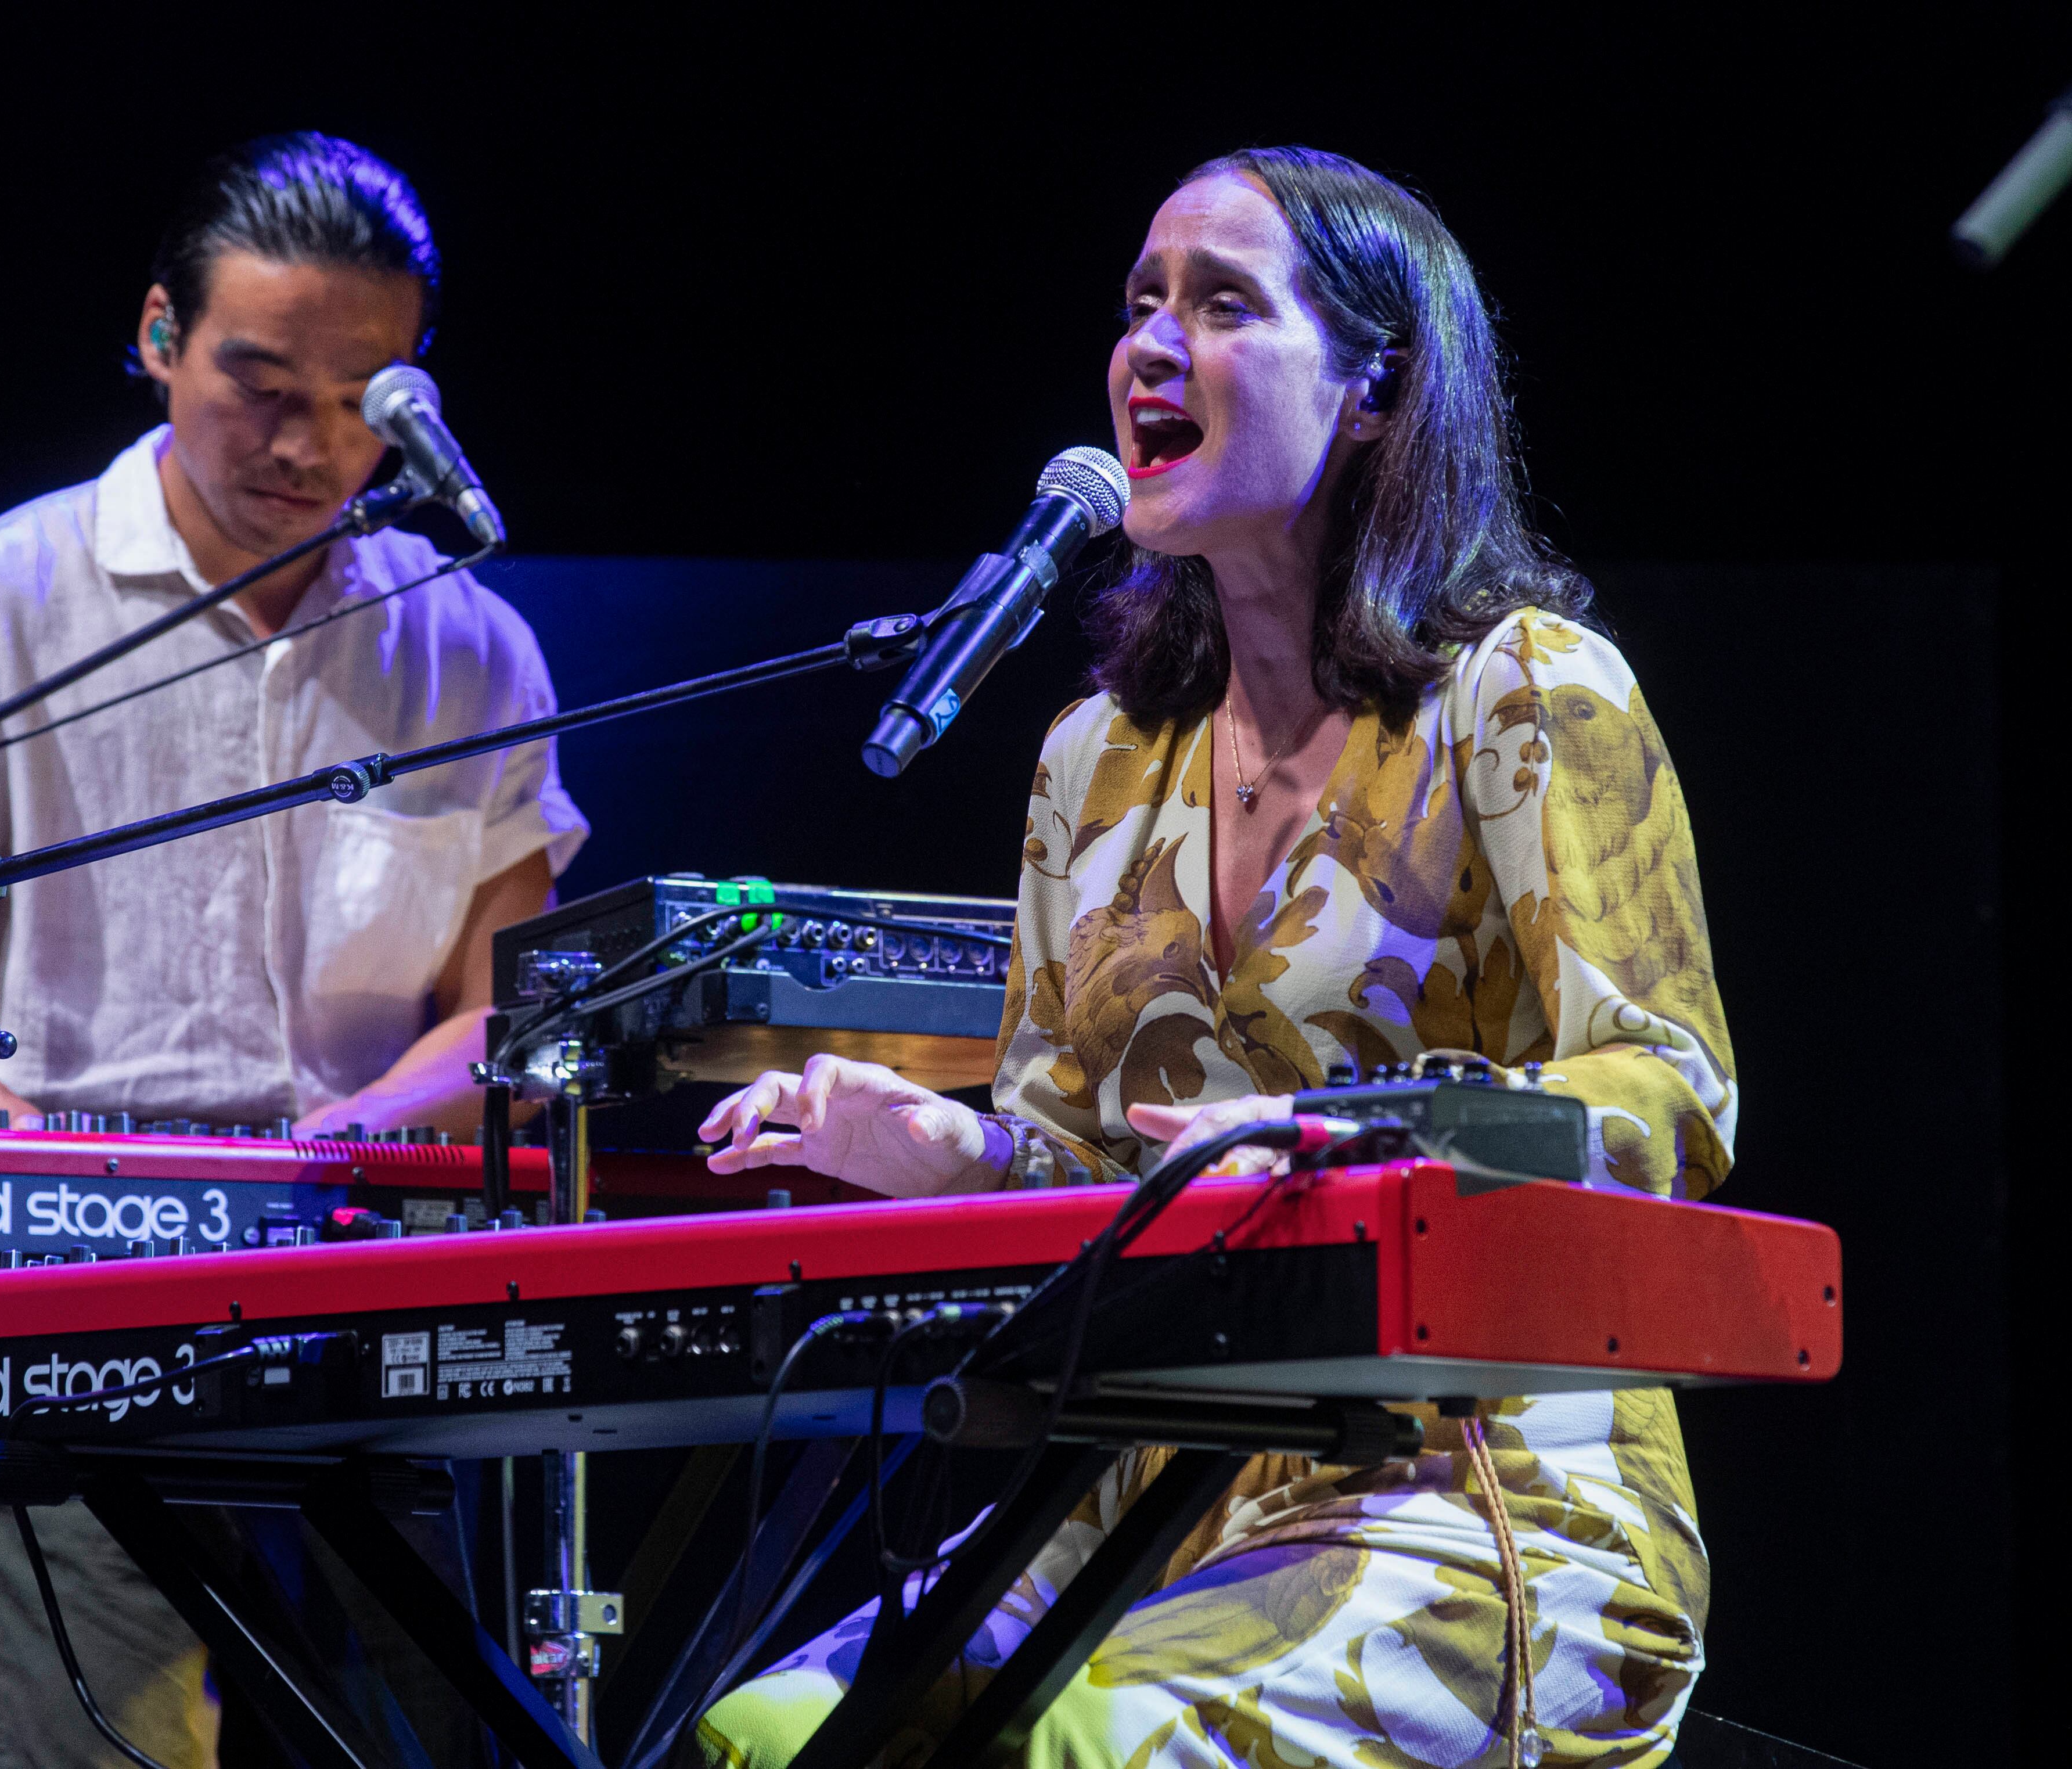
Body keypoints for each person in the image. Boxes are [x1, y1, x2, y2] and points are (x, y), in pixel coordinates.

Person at [694, 145, 1731, 1769]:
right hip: (1135, 1507)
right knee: (767, 1740)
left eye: (1221, 304)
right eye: (1137, 305)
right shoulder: (1090, 760)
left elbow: (1665, 1092)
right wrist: (941, 1151)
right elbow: (1068, 1171)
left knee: (1074, 1748)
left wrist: (1348, 1148)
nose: (1147, 349)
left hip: (1483, 1501)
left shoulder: (1519, 690)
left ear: (1375, 390)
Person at [0, 132, 584, 1768]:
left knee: (426, 1735)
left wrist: (336, 1146)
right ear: (160, 338)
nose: (309, 445)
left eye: (362, 399)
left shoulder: (469, 648)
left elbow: (509, 1014)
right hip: (55, 1294)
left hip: (363, 1291)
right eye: (260, 383)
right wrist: (16, 1169)